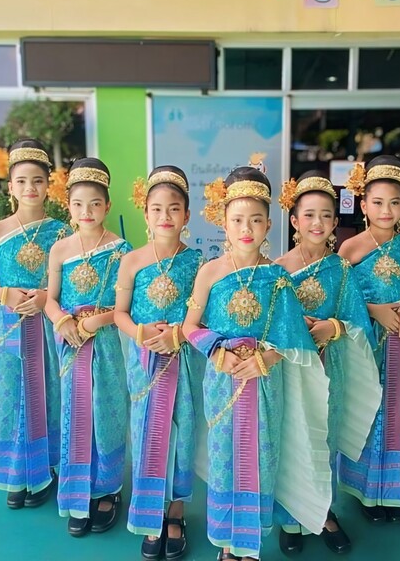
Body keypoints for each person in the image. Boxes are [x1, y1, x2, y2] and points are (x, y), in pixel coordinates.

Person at [182, 166, 332, 561]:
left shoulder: (278, 276)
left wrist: (267, 358)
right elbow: (188, 326)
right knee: (224, 457)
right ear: (223, 223)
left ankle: (250, 545)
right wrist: (217, 351)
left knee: (261, 456)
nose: (246, 228)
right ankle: (226, 543)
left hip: (266, 383)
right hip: (223, 380)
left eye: (255, 220)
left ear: (269, 224)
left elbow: (294, 336)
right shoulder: (209, 272)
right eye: (237, 220)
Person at [275, 171, 382, 555]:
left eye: (325, 215)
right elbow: (269, 324)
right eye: (309, 215)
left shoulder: (341, 269)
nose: (317, 223)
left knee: (324, 436)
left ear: (336, 222)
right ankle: (291, 517)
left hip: (330, 368)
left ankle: (323, 512)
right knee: (293, 435)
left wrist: (331, 327)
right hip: (289, 369)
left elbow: (358, 321)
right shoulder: (277, 270)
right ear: (294, 221)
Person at [0, 139, 68, 510]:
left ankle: (45, 470)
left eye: (38, 180)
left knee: (49, 393)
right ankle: (17, 476)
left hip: (48, 325)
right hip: (10, 326)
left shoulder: (62, 232)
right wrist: (4, 293)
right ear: (10, 187)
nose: (30, 188)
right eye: (22, 181)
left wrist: (45, 298)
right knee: (13, 398)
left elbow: (68, 285)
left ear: (48, 185)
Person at [114, 166, 204, 561]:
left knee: (183, 431)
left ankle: (177, 511)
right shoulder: (131, 261)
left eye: (174, 208)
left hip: (184, 361)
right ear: (146, 214)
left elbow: (204, 317)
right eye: (157, 209)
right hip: (145, 361)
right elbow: (120, 313)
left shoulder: (198, 263)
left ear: (187, 215)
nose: (165, 216)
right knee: (147, 430)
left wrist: (178, 334)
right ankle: (150, 514)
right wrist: (141, 333)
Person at [338, 156, 400, 523]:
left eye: (394, 202)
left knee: (393, 411)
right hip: (363, 344)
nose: (386, 210)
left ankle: (389, 492)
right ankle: (362, 489)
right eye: (377, 202)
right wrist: (374, 310)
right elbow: (339, 299)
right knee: (366, 408)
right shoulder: (349, 248)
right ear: (363, 206)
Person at [45, 157, 132, 537]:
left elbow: (128, 305)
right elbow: (50, 299)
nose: (87, 211)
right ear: (68, 206)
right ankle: (77, 493)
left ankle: (108, 489)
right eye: (79, 204)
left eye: (95, 203)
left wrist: (98, 320)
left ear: (107, 206)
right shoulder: (59, 249)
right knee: (75, 413)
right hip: (70, 343)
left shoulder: (121, 249)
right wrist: (62, 321)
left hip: (108, 341)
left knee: (107, 411)